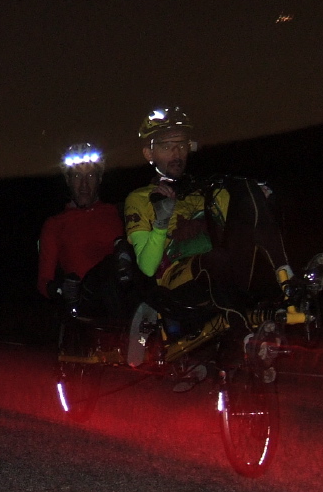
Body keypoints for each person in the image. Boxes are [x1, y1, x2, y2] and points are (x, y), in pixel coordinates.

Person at [123, 107, 293, 372]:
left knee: (244, 187)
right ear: (149, 153)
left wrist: (259, 197)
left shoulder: (204, 191)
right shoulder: (140, 198)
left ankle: (289, 285)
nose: (177, 153)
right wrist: (161, 221)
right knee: (216, 259)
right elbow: (146, 266)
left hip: (223, 274)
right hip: (176, 286)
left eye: (181, 144)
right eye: (167, 146)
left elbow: (246, 225)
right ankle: (244, 335)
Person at [38, 142, 131, 319]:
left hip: (123, 296)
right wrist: (62, 289)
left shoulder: (118, 213)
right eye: (77, 177)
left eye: (90, 175)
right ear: (67, 180)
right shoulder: (55, 224)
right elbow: (44, 281)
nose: (84, 185)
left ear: (100, 178)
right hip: (85, 306)